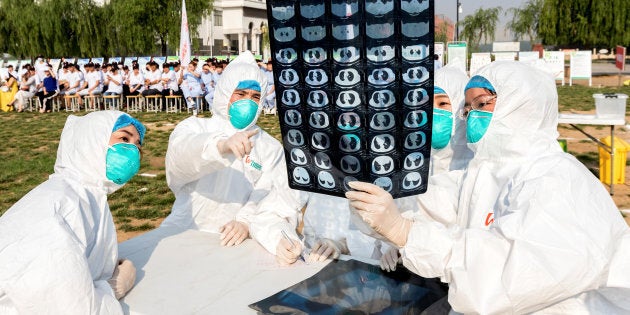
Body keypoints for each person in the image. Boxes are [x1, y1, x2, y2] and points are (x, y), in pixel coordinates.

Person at [346, 62, 630, 313]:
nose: (471, 116)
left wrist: (406, 233)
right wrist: (379, 203)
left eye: (482, 104)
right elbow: (427, 201)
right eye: (468, 109)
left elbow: (509, 276)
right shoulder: (484, 172)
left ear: (524, 106)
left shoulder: (557, 180)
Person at [0, 111, 146, 314]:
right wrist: (112, 288)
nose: (133, 151)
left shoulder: (88, 197)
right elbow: (69, 307)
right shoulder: (62, 203)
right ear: (91, 140)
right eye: (124, 138)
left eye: (138, 145)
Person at [161, 51, 294, 254]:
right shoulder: (195, 128)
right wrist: (219, 146)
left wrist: (245, 221)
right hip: (187, 230)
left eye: (255, 96)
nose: (248, 101)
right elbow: (180, 161)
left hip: (236, 240)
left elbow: (274, 193)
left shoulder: (269, 146)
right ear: (225, 91)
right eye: (240, 94)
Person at [379, 65, 472, 272]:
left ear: (460, 109)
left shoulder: (475, 171)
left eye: (443, 104)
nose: (432, 112)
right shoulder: (411, 166)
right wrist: (392, 245)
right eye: (427, 104)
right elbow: (399, 217)